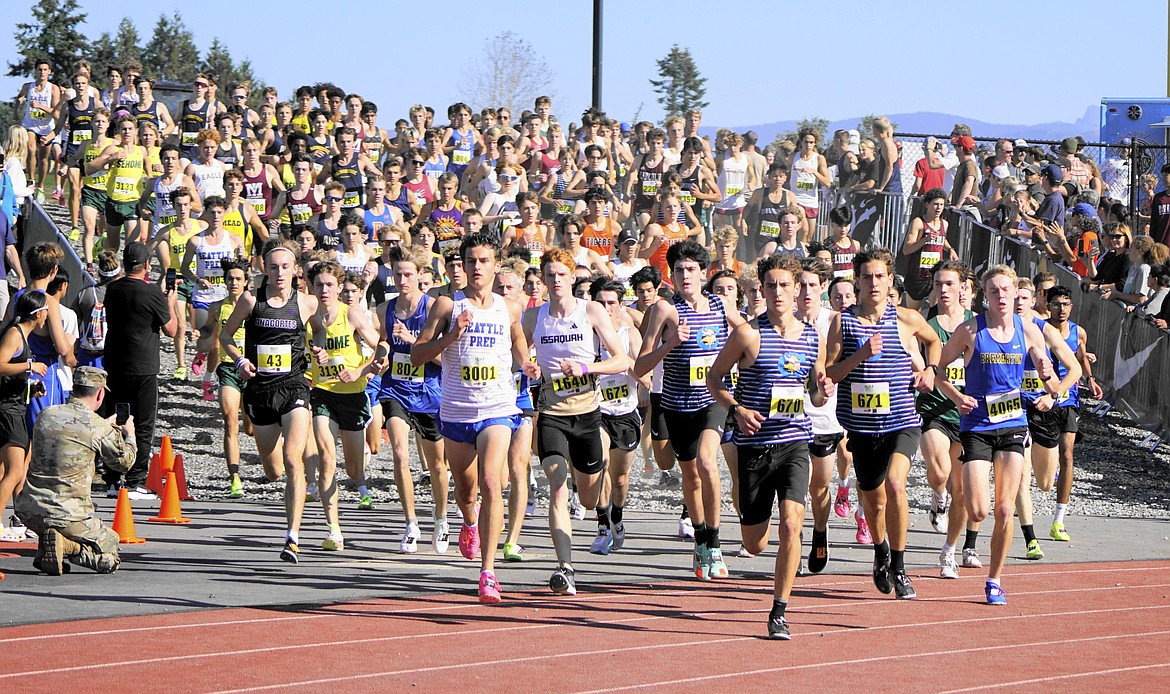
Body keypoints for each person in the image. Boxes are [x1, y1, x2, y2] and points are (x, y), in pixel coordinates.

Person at [935, 265, 1081, 605]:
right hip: (977, 428)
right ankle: (958, 541)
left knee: (1004, 509)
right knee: (978, 511)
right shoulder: (970, 330)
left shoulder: (1028, 331)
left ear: (1016, 294)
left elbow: (1048, 370)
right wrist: (957, 397)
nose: (1001, 297)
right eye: (993, 291)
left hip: (1013, 425)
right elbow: (938, 371)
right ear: (984, 296)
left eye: (1006, 290)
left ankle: (995, 580)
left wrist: (1052, 388)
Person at [706, 254, 833, 639]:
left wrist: (823, 391)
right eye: (770, 285)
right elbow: (714, 380)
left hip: (795, 442)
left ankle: (779, 609)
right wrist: (739, 409)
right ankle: (741, 496)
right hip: (755, 446)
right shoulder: (748, 334)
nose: (777, 292)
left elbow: (815, 393)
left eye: (784, 285)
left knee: (793, 525)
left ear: (798, 291)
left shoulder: (814, 337)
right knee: (755, 543)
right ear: (761, 289)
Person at [410, 233, 538, 603]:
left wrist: (525, 362)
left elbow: (516, 337)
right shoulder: (446, 305)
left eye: (484, 261)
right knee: (466, 491)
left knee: (490, 481)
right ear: (463, 267)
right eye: (471, 262)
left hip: (498, 408)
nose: (477, 268)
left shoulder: (509, 307)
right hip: (456, 411)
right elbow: (418, 355)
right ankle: (469, 523)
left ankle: (488, 572)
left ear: (496, 266)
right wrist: (452, 335)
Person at [825, 247, 941, 600]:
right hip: (861, 427)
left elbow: (934, 341)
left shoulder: (905, 318)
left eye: (880, 276)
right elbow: (830, 373)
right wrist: (862, 354)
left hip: (902, 421)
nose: (873, 283)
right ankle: (881, 553)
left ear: (890, 280)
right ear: (856, 281)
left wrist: (931, 370)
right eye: (866, 276)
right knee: (873, 501)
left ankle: (902, 567)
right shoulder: (842, 322)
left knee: (895, 485)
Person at [635, 240, 746, 580]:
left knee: (708, 462)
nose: (685, 276)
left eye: (691, 270)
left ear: (703, 272)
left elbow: (746, 333)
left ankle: (715, 540)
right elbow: (640, 367)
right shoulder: (664, 310)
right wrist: (671, 343)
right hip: (677, 403)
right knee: (691, 475)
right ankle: (700, 537)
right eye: (678, 270)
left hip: (712, 398)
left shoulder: (719, 303)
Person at [521, 249, 629, 594]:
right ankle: (565, 568)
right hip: (552, 415)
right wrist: (528, 368)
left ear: (571, 278)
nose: (554, 281)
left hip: (587, 413)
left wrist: (586, 368)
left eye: (560, 275)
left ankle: (604, 510)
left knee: (586, 498)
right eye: (548, 276)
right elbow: (517, 357)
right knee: (556, 483)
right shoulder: (533, 317)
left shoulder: (591, 311)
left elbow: (622, 360)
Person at [220, 240, 319, 563]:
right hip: (260, 391)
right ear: (264, 267)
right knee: (273, 469)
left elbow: (319, 331)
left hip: (294, 387)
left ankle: (293, 537)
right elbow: (225, 337)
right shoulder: (251, 300)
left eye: (285, 267)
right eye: (273, 267)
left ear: (295, 271)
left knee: (293, 460)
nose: (279, 273)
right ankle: (277, 471)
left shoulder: (306, 303)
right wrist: (239, 361)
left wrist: (319, 348)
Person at [18, 366, 136, 575]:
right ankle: (68, 547)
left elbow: (72, 432)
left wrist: (103, 427)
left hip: (29, 509)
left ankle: (49, 547)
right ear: (100, 393)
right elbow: (123, 463)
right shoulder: (98, 427)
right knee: (111, 547)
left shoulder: (47, 414)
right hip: (69, 514)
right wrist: (129, 436)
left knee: (58, 525)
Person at [378, 246, 451, 553]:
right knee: (399, 455)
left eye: (408, 274)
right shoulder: (386, 309)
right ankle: (410, 523)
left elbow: (446, 359)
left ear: (422, 276)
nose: (403, 280)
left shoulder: (435, 308)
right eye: (398, 274)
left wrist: (414, 343)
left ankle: (441, 518)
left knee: (436, 465)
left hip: (430, 392)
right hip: (396, 389)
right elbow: (382, 342)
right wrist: (380, 356)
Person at [306, 261, 381, 552]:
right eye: (318, 285)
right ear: (311, 288)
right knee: (326, 457)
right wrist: (310, 356)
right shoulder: (308, 317)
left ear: (339, 288)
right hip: (322, 393)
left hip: (352, 394)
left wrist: (362, 371)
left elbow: (380, 347)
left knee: (353, 470)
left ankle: (360, 456)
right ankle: (334, 530)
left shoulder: (352, 315)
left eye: (329, 285)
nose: (324, 290)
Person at [100, 243, 179, 498]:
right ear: (147, 265)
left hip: (114, 363)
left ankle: (112, 478)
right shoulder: (152, 293)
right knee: (143, 424)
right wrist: (171, 301)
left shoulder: (112, 289)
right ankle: (134, 480)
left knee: (114, 420)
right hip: (143, 365)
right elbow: (171, 330)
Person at [915, 261, 978, 579]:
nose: (943, 290)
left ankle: (950, 551)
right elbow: (932, 370)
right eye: (938, 284)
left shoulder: (976, 325)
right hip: (935, 409)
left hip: (968, 416)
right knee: (938, 471)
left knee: (962, 490)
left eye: (949, 284)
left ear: (963, 287)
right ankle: (936, 497)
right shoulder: (929, 325)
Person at [1030, 285, 1102, 544]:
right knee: (1036, 460)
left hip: (1068, 399)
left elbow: (1080, 357)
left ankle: (1059, 519)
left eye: (1067, 304)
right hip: (1040, 398)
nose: (1062, 309)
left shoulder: (1077, 332)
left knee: (1068, 454)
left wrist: (1091, 379)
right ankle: (1025, 502)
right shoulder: (1038, 328)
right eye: (1057, 304)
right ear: (1047, 305)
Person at [794, 257, 845, 574]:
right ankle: (793, 546)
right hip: (789, 420)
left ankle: (820, 531)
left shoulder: (836, 321)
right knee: (794, 490)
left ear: (824, 287)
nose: (807, 292)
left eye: (814, 285)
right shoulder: (783, 321)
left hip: (826, 419)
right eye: (802, 285)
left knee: (819, 488)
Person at [195, 258, 251, 497]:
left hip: (252, 369)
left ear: (246, 281)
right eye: (230, 279)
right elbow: (209, 329)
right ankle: (235, 478)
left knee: (251, 427)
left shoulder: (254, 306)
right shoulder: (218, 306)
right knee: (230, 421)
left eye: (239, 279)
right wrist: (200, 332)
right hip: (229, 368)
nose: (234, 283)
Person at [0, 292, 52, 540]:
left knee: (5, 471)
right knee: (15, 472)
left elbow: (9, 377)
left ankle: (15, 520)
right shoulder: (14, 333)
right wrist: (29, 367)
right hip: (8, 410)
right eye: (46, 311)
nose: (47, 316)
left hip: (14, 404)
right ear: (37, 313)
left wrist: (30, 388)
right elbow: (0, 365)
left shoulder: (22, 335)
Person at [901, 189, 957, 306]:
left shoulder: (944, 224)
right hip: (917, 275)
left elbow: (941, 239)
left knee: (936, 310)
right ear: (927, 204)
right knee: (913, 314)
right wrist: (925, 240)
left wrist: (950, 249)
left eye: (941, 205)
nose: (938, 208)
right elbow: (906, 249)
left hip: (935, 275)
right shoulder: (918, 223)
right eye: (935, 204)